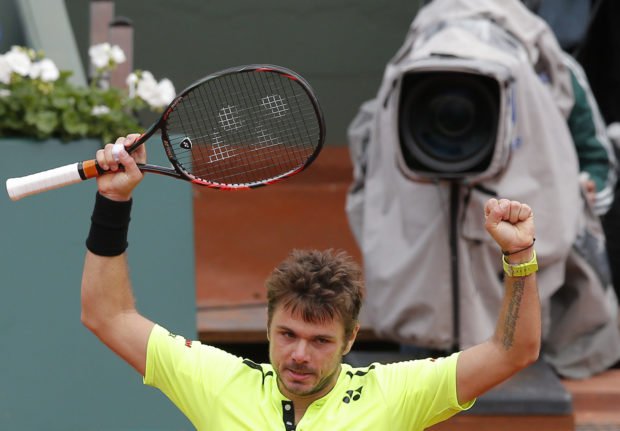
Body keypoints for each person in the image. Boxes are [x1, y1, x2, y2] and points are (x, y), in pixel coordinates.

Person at [81, 134, 541, 430]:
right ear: (267, 327)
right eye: (287, 334)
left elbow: (512, 351)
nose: (299, 354)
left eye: (320, 340)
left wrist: (519, 255)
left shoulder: (395, 394)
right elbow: (107, 315)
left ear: (350, 339)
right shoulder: (217, 381)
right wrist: (113, 201)